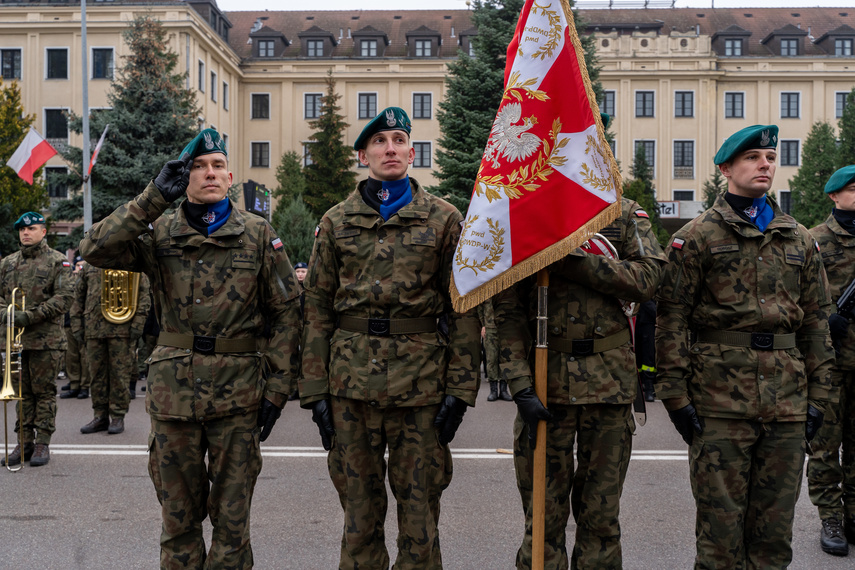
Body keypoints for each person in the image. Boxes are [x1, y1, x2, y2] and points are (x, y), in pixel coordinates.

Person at [79, 128, 302, 568]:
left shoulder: (256, 233)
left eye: (217, 165)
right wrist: (151, 199)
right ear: (185, 177)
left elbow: (287, 313)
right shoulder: (159, 230)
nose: (209, 173)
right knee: (177, 523)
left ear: (231, 175)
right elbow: (94, 248)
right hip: (173, 397)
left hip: (238, 398)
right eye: (198, 166)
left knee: (232, 525)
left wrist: (277, 390)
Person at [300, 107, 481, 568]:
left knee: (420, 521)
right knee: (359, 521)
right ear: (364, 155)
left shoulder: (444, 219)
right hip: (350, 388)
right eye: (379, 142)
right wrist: (314, 391)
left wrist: (460, 391)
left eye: (399, 140)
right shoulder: (336, 221)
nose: (390, 149)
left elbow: (463, 309)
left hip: (421, 388)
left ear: (412, 152)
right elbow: (317, 308)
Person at [655, 124, 835, 568]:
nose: (765, 165)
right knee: (719, 538)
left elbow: (816, 322)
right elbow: (671, 317)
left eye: (770, 158)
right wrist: (675, 396)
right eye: (753, 157)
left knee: (774, 539)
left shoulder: (799, 238)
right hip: (719, 402)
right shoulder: (696, 236)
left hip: (788, 404)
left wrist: (821, 398)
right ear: (726, 168)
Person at [493, 195, 666, 568]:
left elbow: (649, 278)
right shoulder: (527, 213)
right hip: (544, 382)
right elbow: (506, 309)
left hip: (610, 385)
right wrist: (519, 382)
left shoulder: (622, 212)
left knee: (600, 521)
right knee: (542, 518)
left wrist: (573, 262)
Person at [0, 212, 74, 467]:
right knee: (21, 394)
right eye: (22, 229)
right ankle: (24, 442)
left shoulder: (57, 261)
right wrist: (6, 314)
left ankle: (42, 442)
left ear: (44, 232)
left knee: (43, 393)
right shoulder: (7, 263)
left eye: (31, 228)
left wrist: (30, 316)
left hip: (46, 340)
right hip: (15, 340)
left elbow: (64, 298)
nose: (25, 233)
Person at [807, 164, 855, 556]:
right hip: (830, 362)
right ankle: (830, 517)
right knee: (826, 444)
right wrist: (826, 320)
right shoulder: (814, 241)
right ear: (834, 196)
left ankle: (854, 513)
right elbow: (797, 300)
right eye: (854, 190)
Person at [72, 261, 151, 435]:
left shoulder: (131, 262)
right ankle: (100, 416)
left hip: (122, 329)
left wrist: (138, 324)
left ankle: (117, 416)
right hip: (94, 329)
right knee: (96, 375)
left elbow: (143, 296)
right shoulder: (90, 265)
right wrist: (76, 324)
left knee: (119, 375)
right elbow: (78, 297)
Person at [60, 253, 91, 400]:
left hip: (84, 323)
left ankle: (84, 386)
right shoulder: (69, 281)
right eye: (78, 265)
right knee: (70, 356)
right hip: (68, 323)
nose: (80, 268)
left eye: (83, 265)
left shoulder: (88, 281)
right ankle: (74, 384)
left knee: (84, 357)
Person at [479, 299, 510, 402]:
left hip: (504, 326)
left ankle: (503, 390)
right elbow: (480, 307)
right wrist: (482, 324)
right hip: (490, 327)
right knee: (491, 359)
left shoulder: (505, 287)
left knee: (504, 359)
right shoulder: (487, 288)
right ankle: (493, 391)